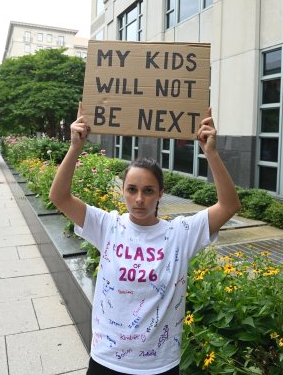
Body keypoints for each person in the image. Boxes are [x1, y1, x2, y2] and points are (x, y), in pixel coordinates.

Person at [49, 103, 241, 375]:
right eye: (132, 190)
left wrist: (211, 153)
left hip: (159, 365)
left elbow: (229, 205)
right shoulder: (107, 225)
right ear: (124, 190)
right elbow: (59, 197)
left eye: (149, 191)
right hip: (107, 359)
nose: (139, 199)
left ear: (161, 193)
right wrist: (74, 148)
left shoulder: (181, 234)